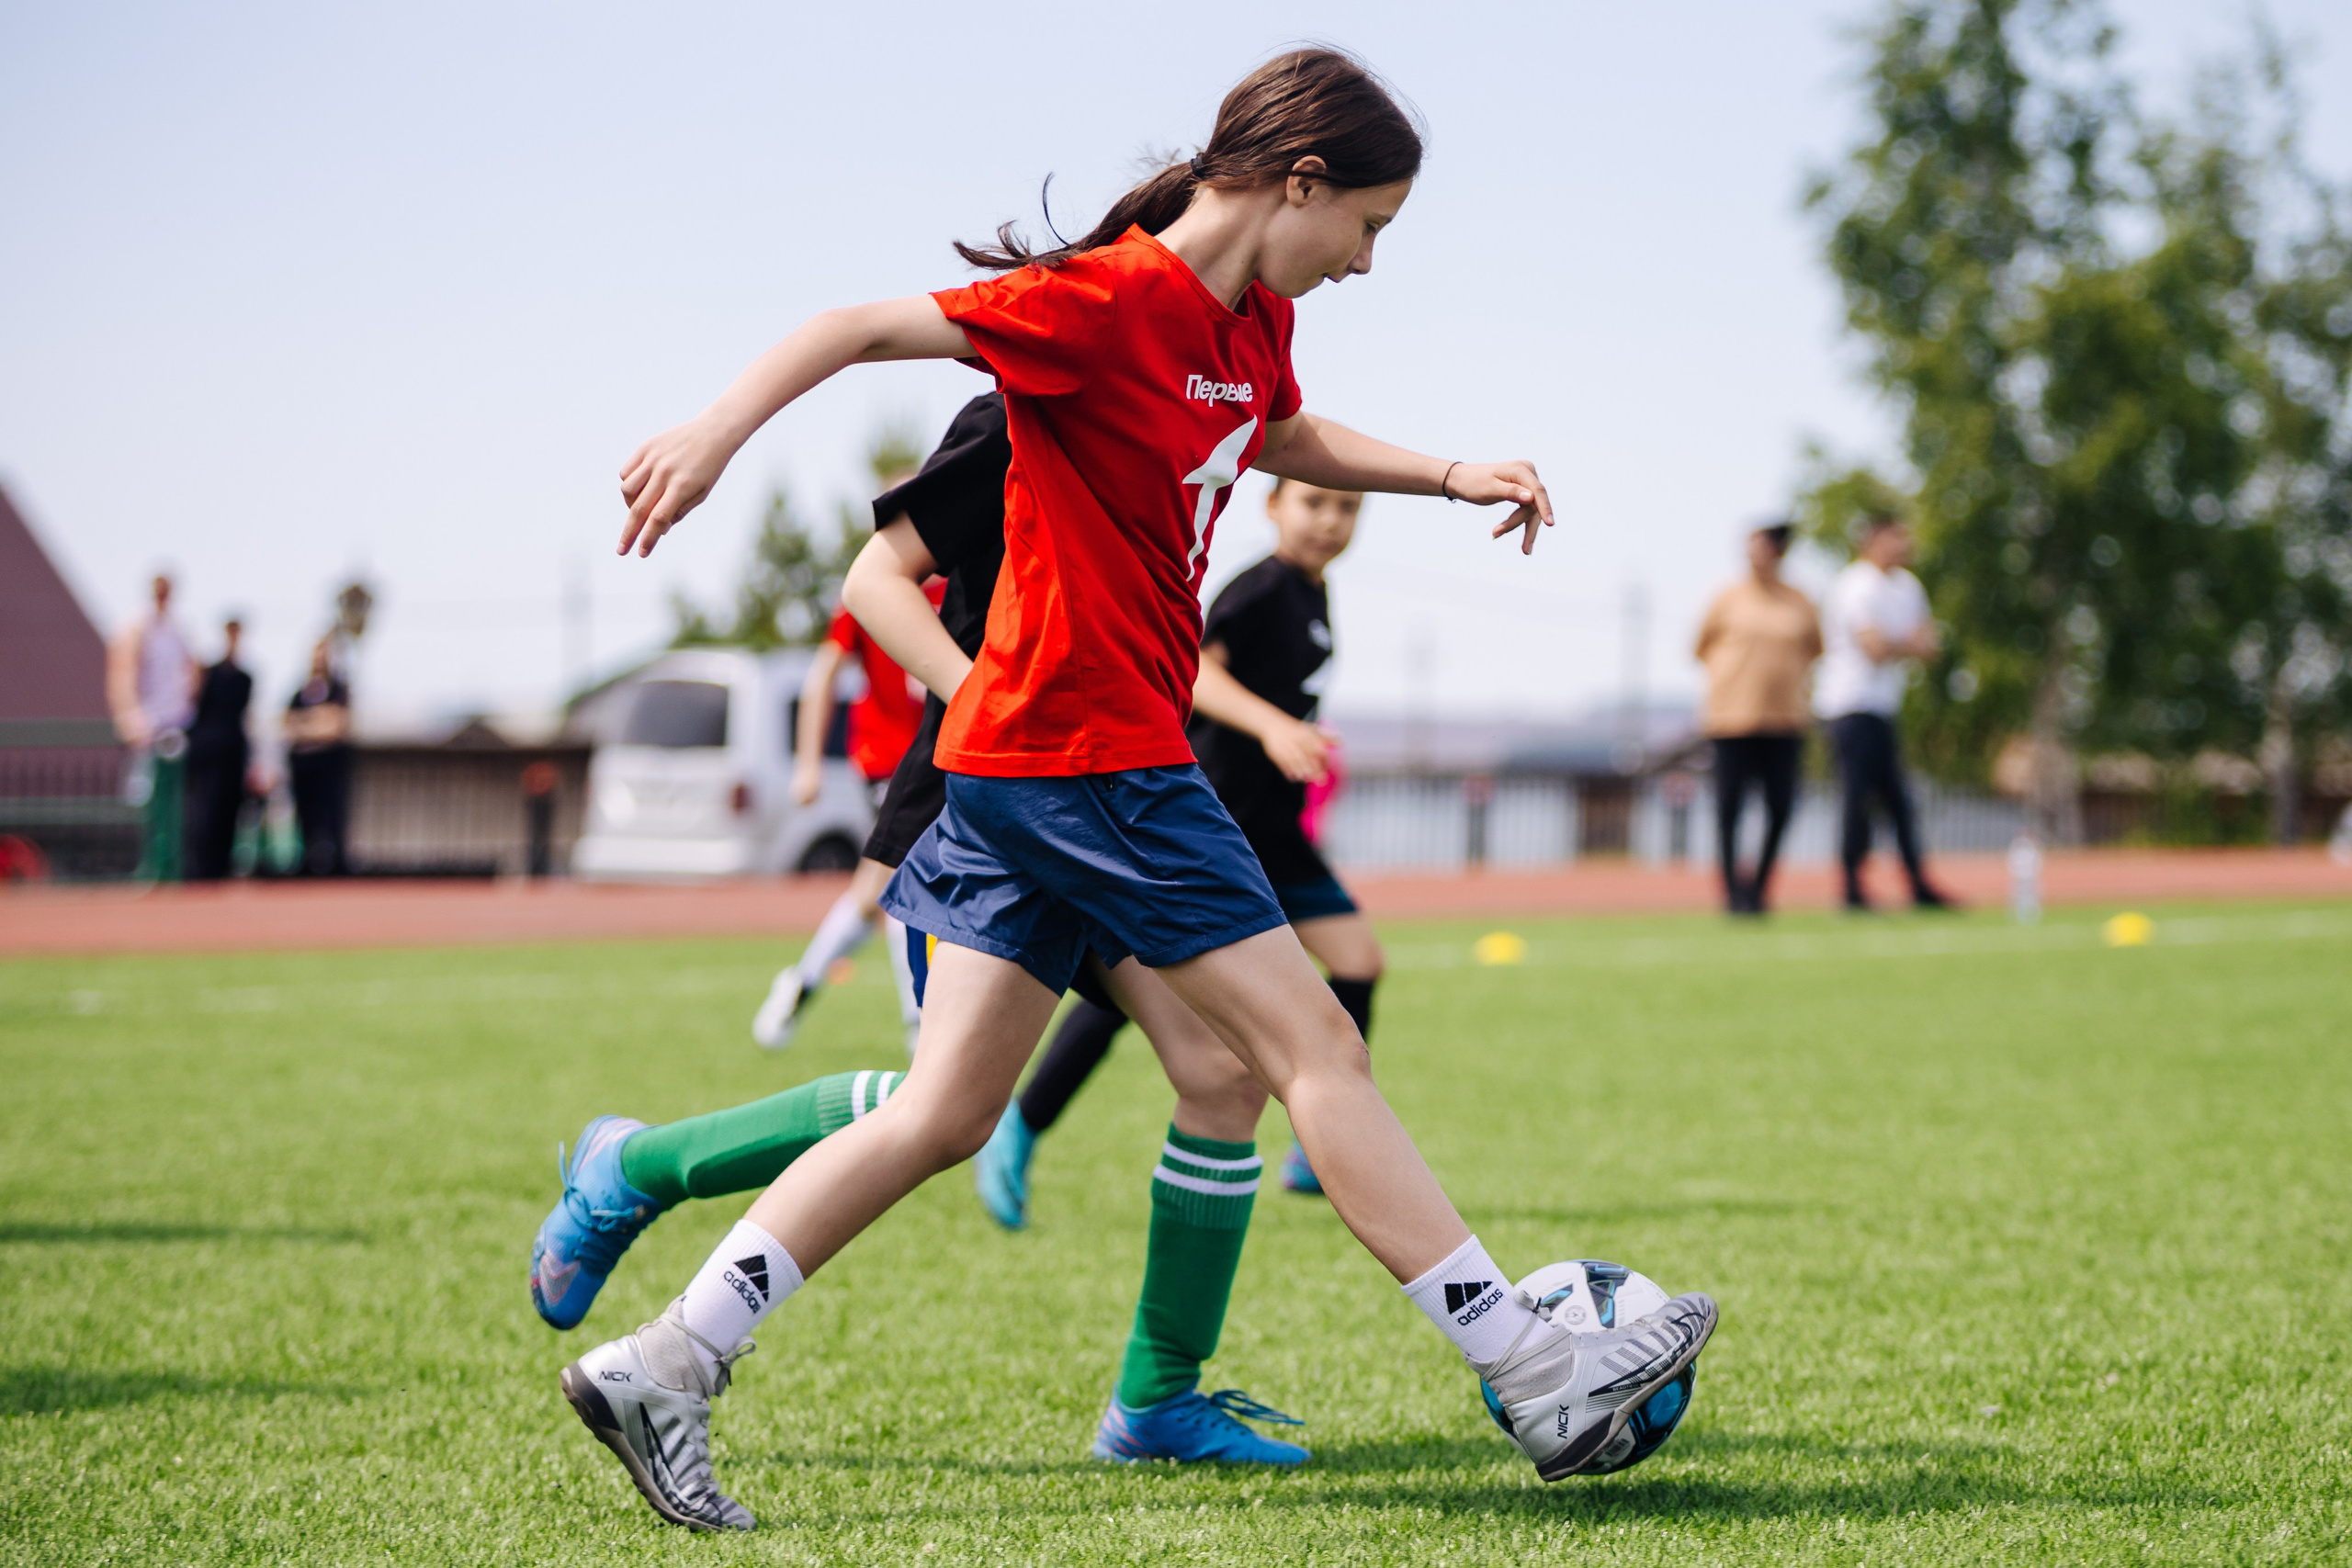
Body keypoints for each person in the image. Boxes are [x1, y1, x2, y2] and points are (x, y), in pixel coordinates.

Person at [568, 49, 1715, 1531]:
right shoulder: (1100, 302)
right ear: (1298, 181)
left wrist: (1448, 471)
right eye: (1368, 223)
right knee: (1316, 1054)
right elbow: (855, 323)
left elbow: (1279, 434)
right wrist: (713, 434)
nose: (1368, 258)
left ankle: (667, 1358)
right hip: (1098, 753)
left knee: (945, 1110)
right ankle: (1533, 1367)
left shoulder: (1255, 323)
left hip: (1023, 772)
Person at [533, 393, 1308, 1475]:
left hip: (1116, 801)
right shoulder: (1027, 407)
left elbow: (1282, 446)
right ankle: (643, 1167)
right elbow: (878, 577)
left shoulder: (1178, 405)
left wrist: (1452, 473)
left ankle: (1157, 1400)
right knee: (938, 1110)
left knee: (1222, 1071)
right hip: (981, 809)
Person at [973, 477, 1383, 1222]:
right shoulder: (1256, 589)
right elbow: (1195, 669)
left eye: (1347, 507)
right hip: (1218, 820)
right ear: (1271, 506)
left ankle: (1311, 1154)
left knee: (1358, 957)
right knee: (1138, 998)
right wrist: (1271, 725)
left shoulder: (1312, 597)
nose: (1330, 520)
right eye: (1313, 503)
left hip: (1277, 832)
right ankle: (1021, 1123)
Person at [750, 573, 942, 1053]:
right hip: (887, 762)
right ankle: (918, 1023)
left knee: (871, 893)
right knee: (903, 883)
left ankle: (801, 983)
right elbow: (824, 673)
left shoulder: (963, 579)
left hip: (946, 760)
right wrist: (808, 762)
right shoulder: (877, 579)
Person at [1815, 514, 1954, 911]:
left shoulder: (1908, 586)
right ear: (1872, 540)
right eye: (1896, 538)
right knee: (1856, 799)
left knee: (1898, 799)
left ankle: (1916, 882)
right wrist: (1905, 644)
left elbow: (1929, 646)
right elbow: (1874, 650)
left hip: (1883, 707)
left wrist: (1900, 644)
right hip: (1848, 706)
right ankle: (1852, 887)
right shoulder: (1855, 585)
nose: (1904, 546)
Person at [1693, 523, 1822, 916]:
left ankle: (1760, 887)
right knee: (1729, 809)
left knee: (1781, 807)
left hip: (1785, 720)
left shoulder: (1800, 601)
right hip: (1733, 720)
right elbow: (1700, 647)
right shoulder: (1727, 598)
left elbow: (1817, 649)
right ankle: (1733, 893)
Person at [106, 573, 198, 883]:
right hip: (148, 725)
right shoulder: (138, 626)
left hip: (175, 726)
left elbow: (191, 669)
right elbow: (122, 671)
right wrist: (130, 715)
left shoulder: (178, 629)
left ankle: (167, 868)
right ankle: (145, 868)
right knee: (145, 797)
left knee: (172, 799)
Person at [182, 618, 255, 883]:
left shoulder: (245, 677)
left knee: (228, 813)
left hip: (232, 754)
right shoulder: (207, 673)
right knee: (204, 812)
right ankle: (199, 869)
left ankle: (222, 868)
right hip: (207, 753)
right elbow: (192, 704)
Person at [283, 638, 354, 876]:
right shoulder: (299, 692)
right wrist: (318, 721)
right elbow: (287, 723)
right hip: (303, 765)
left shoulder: (339, 689)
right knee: (304, 815)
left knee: (331, 815)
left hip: (330, 765)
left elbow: (336, 725)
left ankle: (335, 864)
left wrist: (306, 723)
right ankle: (306, 862)